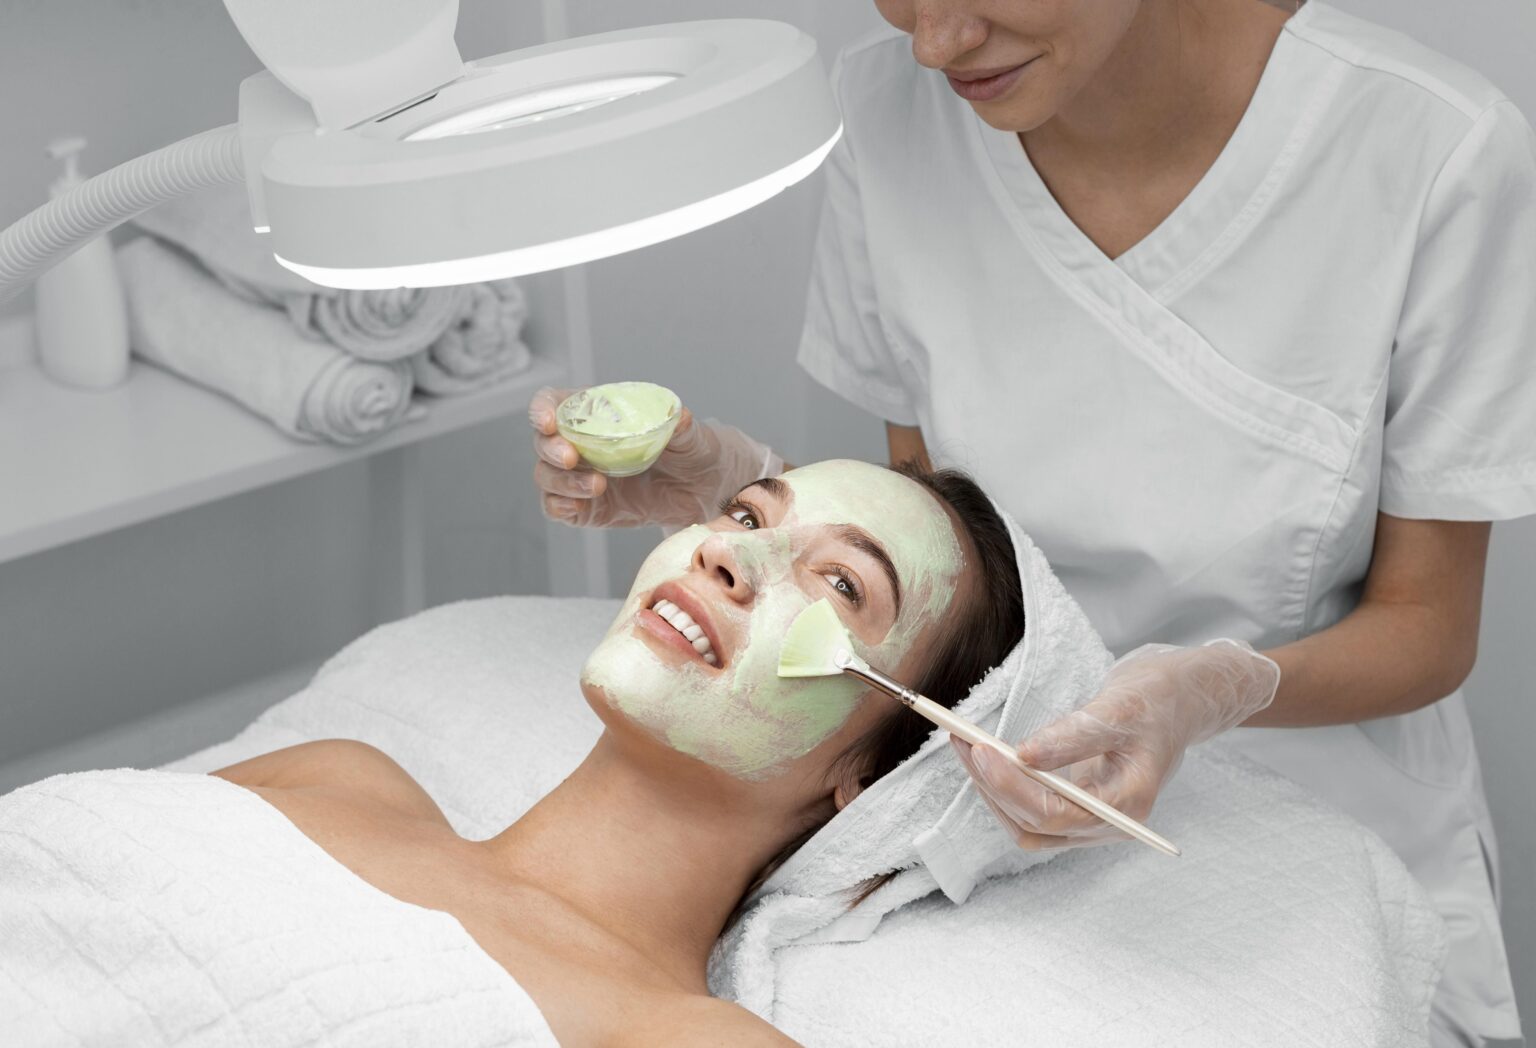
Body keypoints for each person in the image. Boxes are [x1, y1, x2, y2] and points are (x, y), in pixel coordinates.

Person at [528, 1, 1536, 1042]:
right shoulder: (889, 111)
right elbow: (942, 564)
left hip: (1319, 827)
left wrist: (1212, 686)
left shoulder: (1431, 152)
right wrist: (753, 495)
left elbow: (1428, 622)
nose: (935, 45)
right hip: (987, 815)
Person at [214, 460, 1026, 1046]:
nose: (730, 554)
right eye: (747, 515)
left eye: (842, 583)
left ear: (874, 775)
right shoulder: (330, 778)